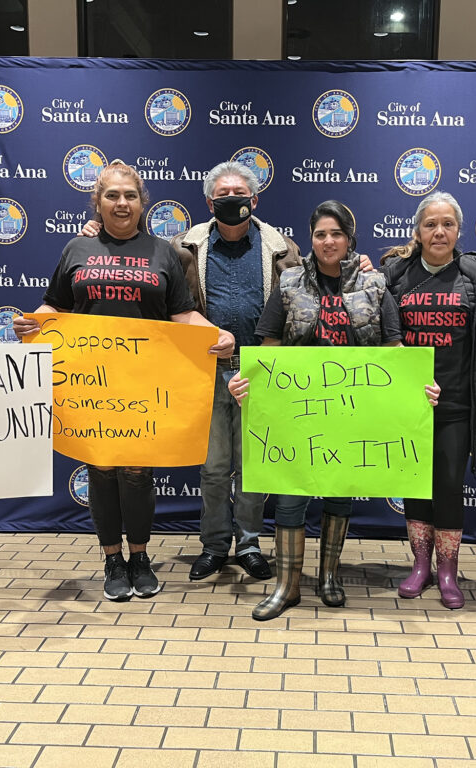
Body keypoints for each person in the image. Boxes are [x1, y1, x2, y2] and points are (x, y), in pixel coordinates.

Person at [13, 161, 234, 602]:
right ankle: (112, 558)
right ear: (98, 201)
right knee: (102, 467)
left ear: (142, 203)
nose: (121, 203)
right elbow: (54, 307)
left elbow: (181, 313)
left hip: (146, 382)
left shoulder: (163, 252)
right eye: (112, 195)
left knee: (137, 471)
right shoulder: (76, 249)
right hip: (91, 382)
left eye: (130, 196)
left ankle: (140, 556)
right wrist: (30, 324)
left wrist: (215, 333)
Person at [81, 162, 301, 582]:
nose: (231, 198)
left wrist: (359, 262)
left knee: (253, 466)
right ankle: (215, 546)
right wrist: (93, 231)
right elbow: (134, 256)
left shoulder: (283, 248)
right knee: (214, 467)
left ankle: (250, 544)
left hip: (262, 371)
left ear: (254, 199)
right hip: (203, 371)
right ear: (209, 201)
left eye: (239, 192)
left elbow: (311, 286)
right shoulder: (182, 246)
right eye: (222, 193)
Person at [228, 200, 434, 620]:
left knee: (340, 495)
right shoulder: (288, 284)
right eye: (321, 234)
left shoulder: (375, 288)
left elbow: (394, 353)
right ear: (311, 239)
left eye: (337, 233)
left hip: (352, 415)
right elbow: (268, 347)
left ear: (349, 238)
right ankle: (287, 586)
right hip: (296, 412)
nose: (328, 241)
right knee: (289, 499)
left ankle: (329, 576)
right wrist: (244, 381)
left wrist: (419, 391)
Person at [382, 192, 476, 609]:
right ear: (417, 230)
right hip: (409, 404)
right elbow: (384, 336)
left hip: (457, 405)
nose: (439, 231)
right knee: (415, 485)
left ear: (458, 230)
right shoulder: (395, 274)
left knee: (449, 487)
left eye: (447, 224)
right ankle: (420, 566)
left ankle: (448, 571)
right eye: (430, 224)